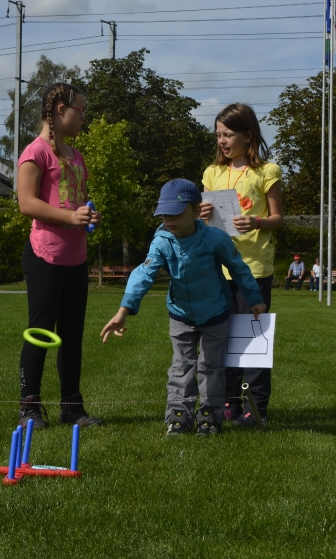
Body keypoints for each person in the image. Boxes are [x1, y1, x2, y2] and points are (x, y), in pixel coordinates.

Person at [100, 179, 265, 437]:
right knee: (181, 365)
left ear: (197, 211)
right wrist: (123, 311)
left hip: (215, 313)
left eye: (176, 213)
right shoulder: (162, 241)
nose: (169, 219)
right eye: (164, 214)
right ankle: (179, 416)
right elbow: (143, 274)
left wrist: (255, 299)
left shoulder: (216, 238)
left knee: (211, 366)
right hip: (181, 315)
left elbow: (238, 268)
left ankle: (210, 417)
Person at [17, 81, 102, 429]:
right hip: (44, 256)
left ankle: (72, 408)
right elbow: (27, 203)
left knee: (72, 336)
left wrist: (87, 215)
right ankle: (29, 407)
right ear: (60, 109)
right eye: (80, 110)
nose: (84, 118)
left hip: (75, 257)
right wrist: (70, 217)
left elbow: (74, 202)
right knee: (40, 331)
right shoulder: (35, 152)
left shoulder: (76, 155)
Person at [200, 103, 283, 428]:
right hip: (218, 270)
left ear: (248, 136)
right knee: (222, 340)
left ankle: (256, 407)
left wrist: (256, 221)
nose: (221, 140)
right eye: (218, 134)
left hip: (254, 270)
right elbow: (203, 222)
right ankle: (229, 403)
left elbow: (277, 218)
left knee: (252, 341)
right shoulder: (212, 172)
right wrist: (202, 214)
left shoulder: (267, 171)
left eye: (228, 134)